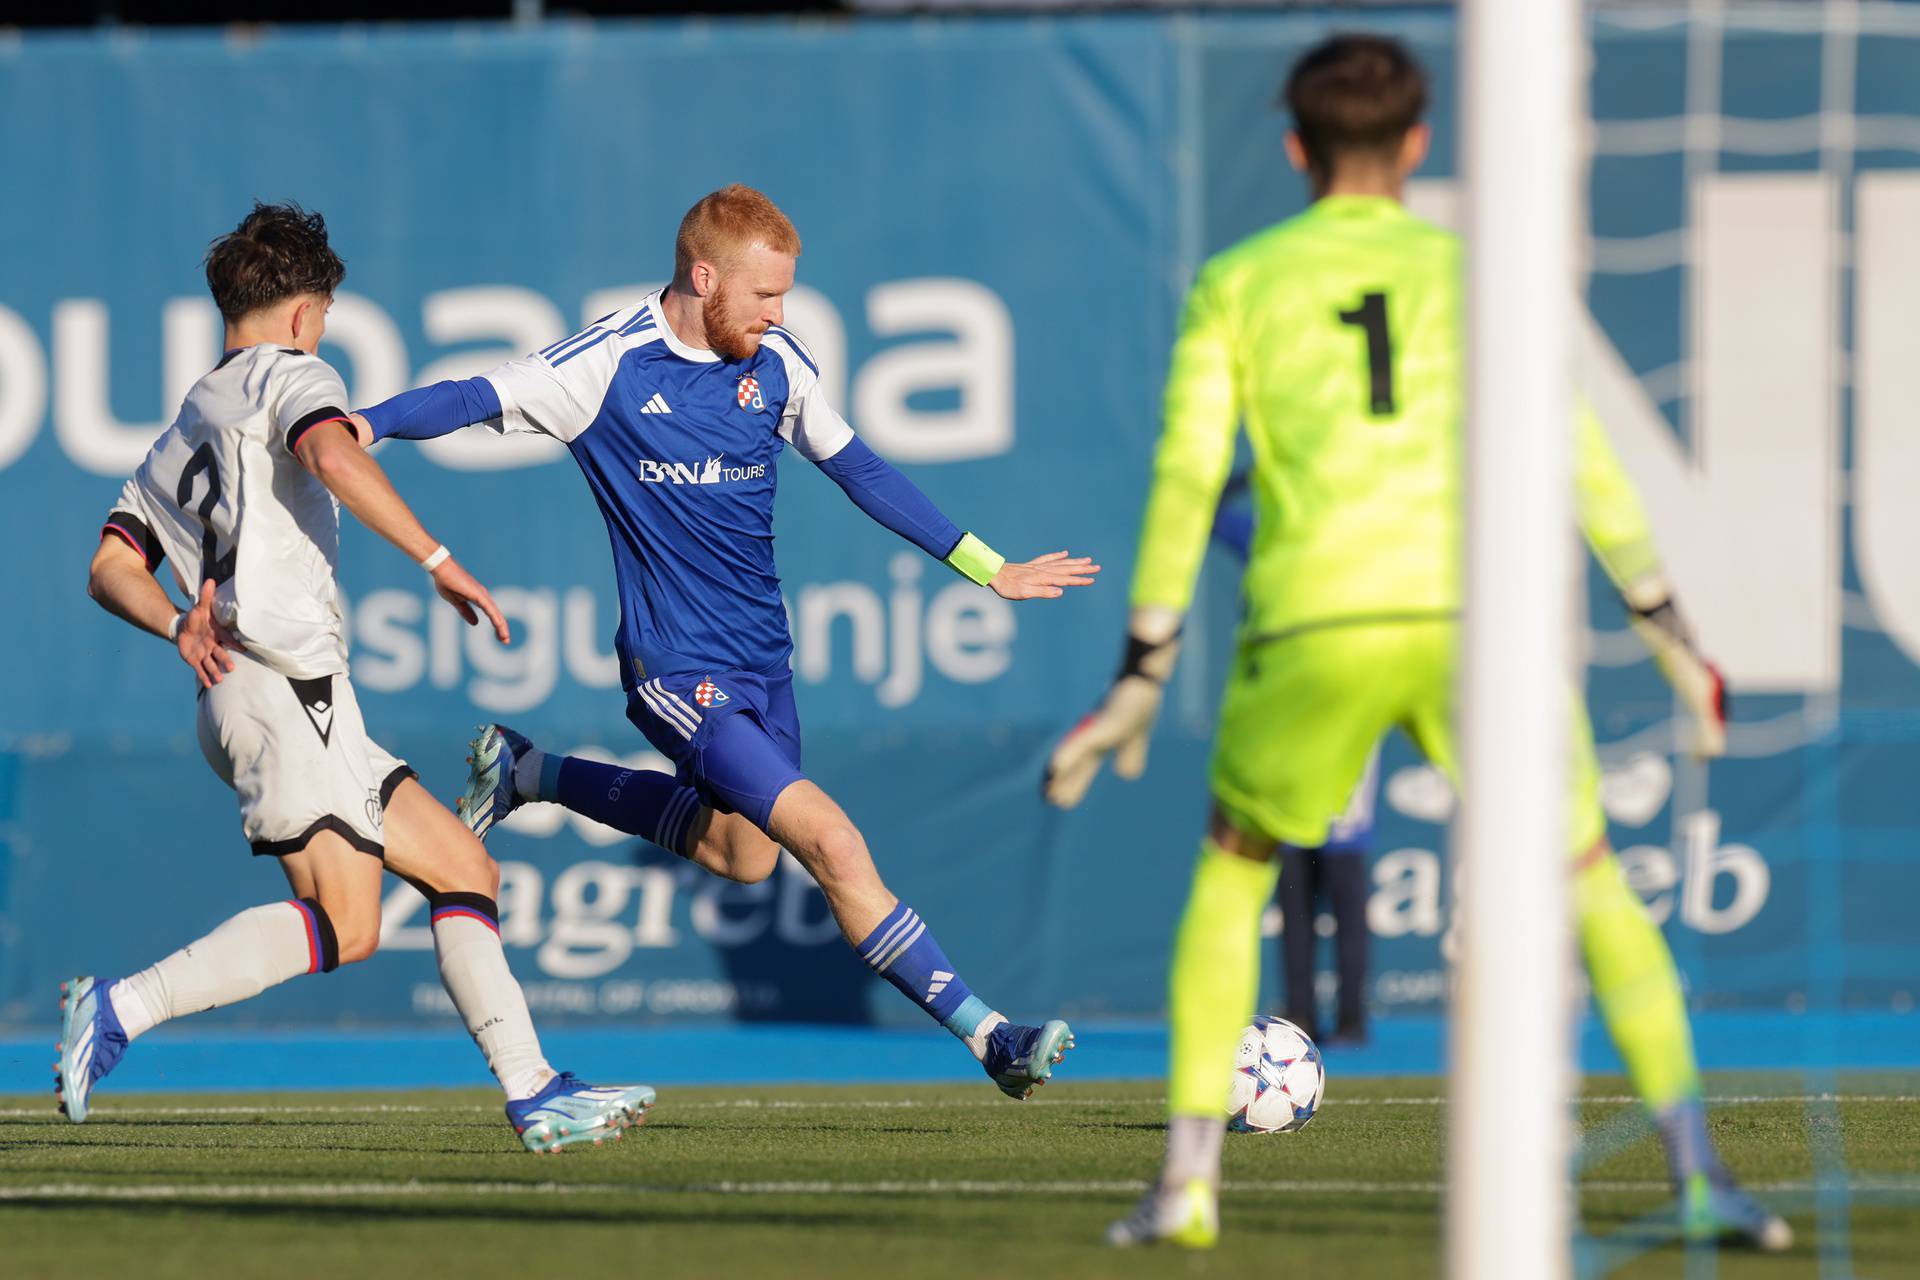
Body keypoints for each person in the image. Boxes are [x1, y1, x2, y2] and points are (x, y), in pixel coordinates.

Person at [1042, 35, 1789, 1251]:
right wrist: (1668, 631)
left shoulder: (1239, 280)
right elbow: (1587, 465)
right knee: (1589, 876)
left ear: (1294, 149)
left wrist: (1141, 670)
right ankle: (1699, 1171)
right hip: (1474, 621)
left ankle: (1186, 1184)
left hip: (1313, 620)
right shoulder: (1484, 273)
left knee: (1233, 874)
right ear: (1419, 144)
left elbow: (1186, 478)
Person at [349, 185, 1098, 1099]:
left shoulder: (777, 362)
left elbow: (859, 468)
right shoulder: (609, 363)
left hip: (764, 669)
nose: (779, 315)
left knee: (744, 859)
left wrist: (988, 566)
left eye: (786, 297)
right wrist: (371, 423)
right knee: (832, 839)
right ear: (704, 278)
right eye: (765, 296)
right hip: (676, 667)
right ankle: (993, 1038)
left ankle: (529, 773)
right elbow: (470, 393)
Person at [63, 202, 653, 1154]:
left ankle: (534, 1088)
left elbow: (106, 567)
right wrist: (436, 556)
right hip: (278, 683)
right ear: (303, 312)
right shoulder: (295, 373)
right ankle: (122, 1006)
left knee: (463, 867)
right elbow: (332, 450)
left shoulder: (186, 425)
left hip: (273, 694)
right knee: (349, 923)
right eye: (326, 311)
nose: (325, 327)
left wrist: (175, 619)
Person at [1215, 479, 1377, 1045]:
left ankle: (1353, 1016)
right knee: (1297, 897)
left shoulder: (1356, 558)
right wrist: (1241, 482)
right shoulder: (1272, 542)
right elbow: (1216, 518)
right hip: (1288, 736)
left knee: (1344, 886)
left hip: (1342, 731)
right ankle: (1304, 1013)